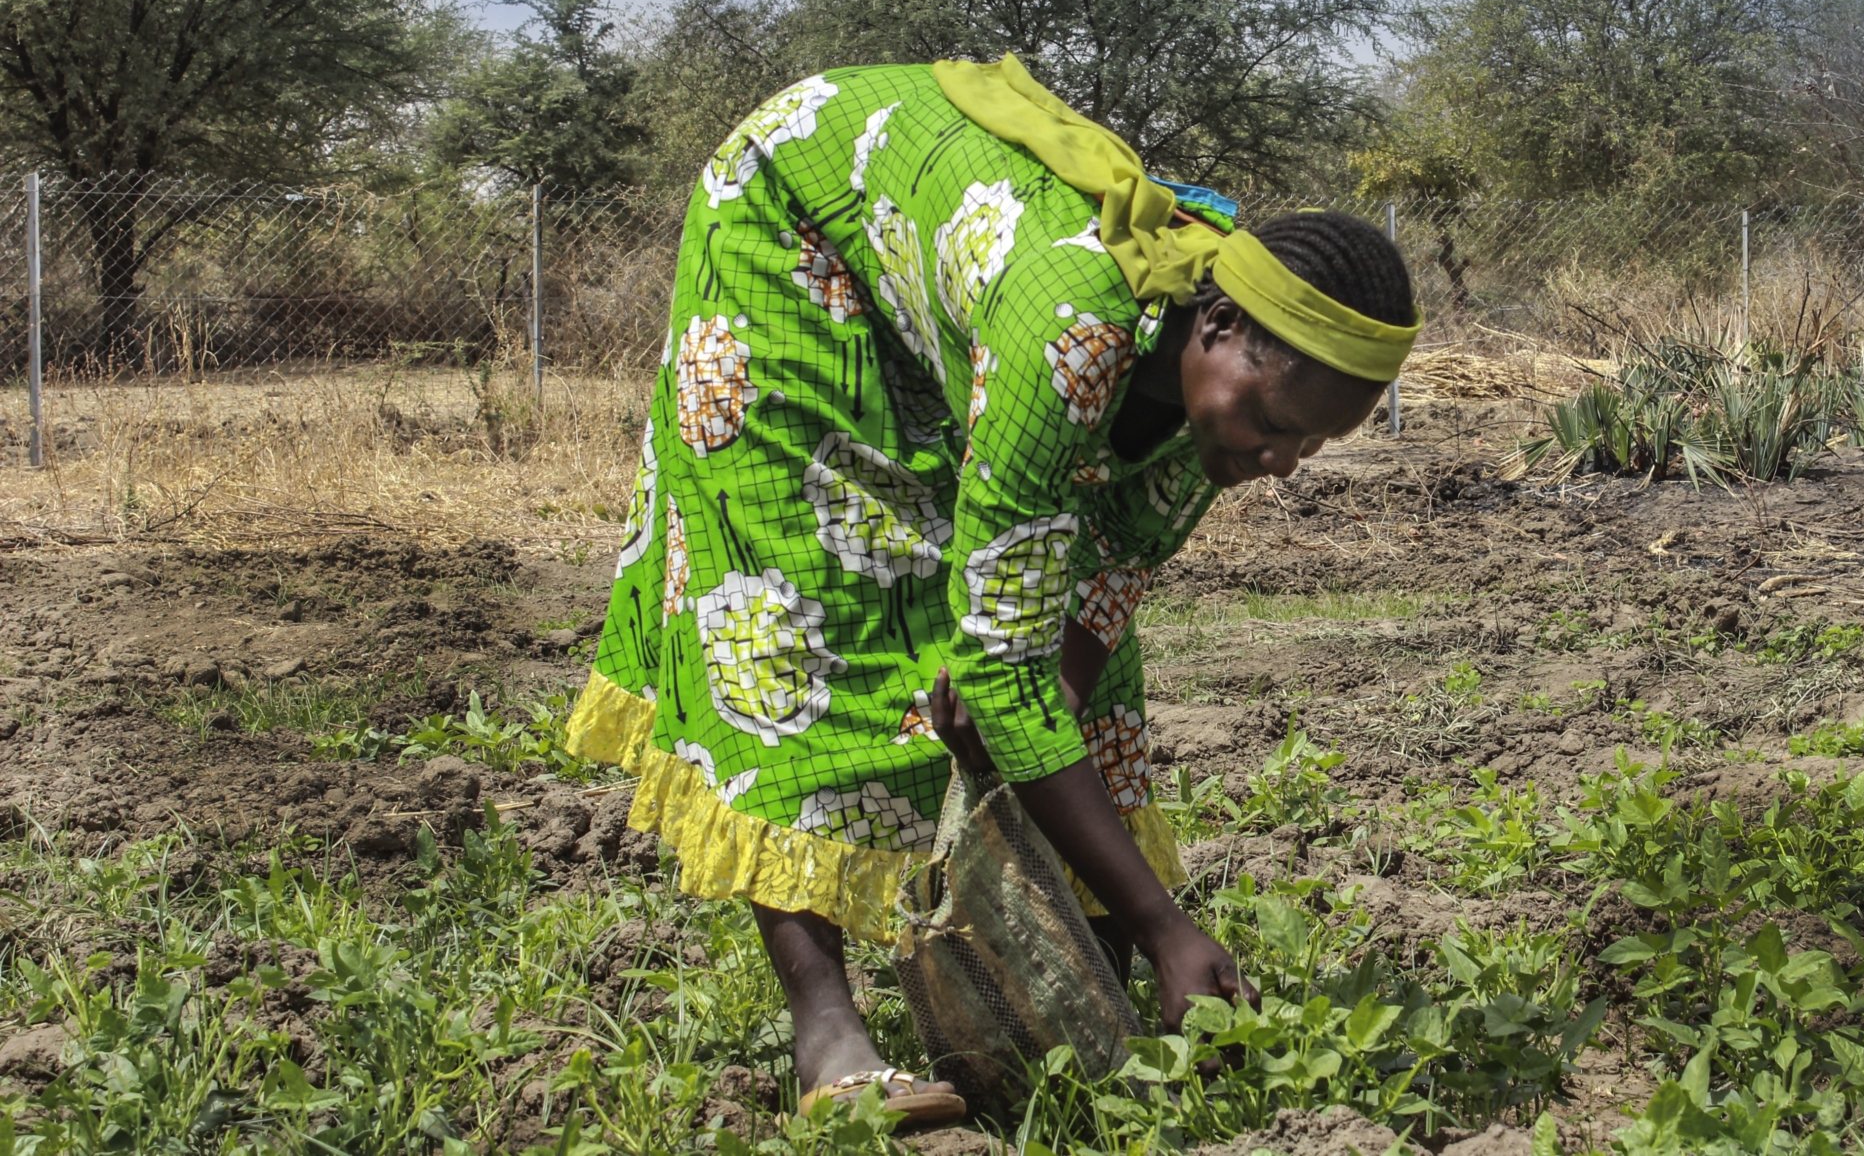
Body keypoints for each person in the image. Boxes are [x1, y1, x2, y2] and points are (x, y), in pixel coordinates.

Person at [565, 56, 1419, 1125]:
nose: (1280, 461)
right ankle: (826, 1034)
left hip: (934, 285)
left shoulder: (1219, 416)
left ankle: (1085, 968)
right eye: (1276, 424)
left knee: (1061, 682)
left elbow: (1096, 593)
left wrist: (1031, 699)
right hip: (792, 224)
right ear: (1217, 332)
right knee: (803, 607)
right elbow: (1000, 659)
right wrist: (1165, 920)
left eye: (1312, 444)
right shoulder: (1066, 327)